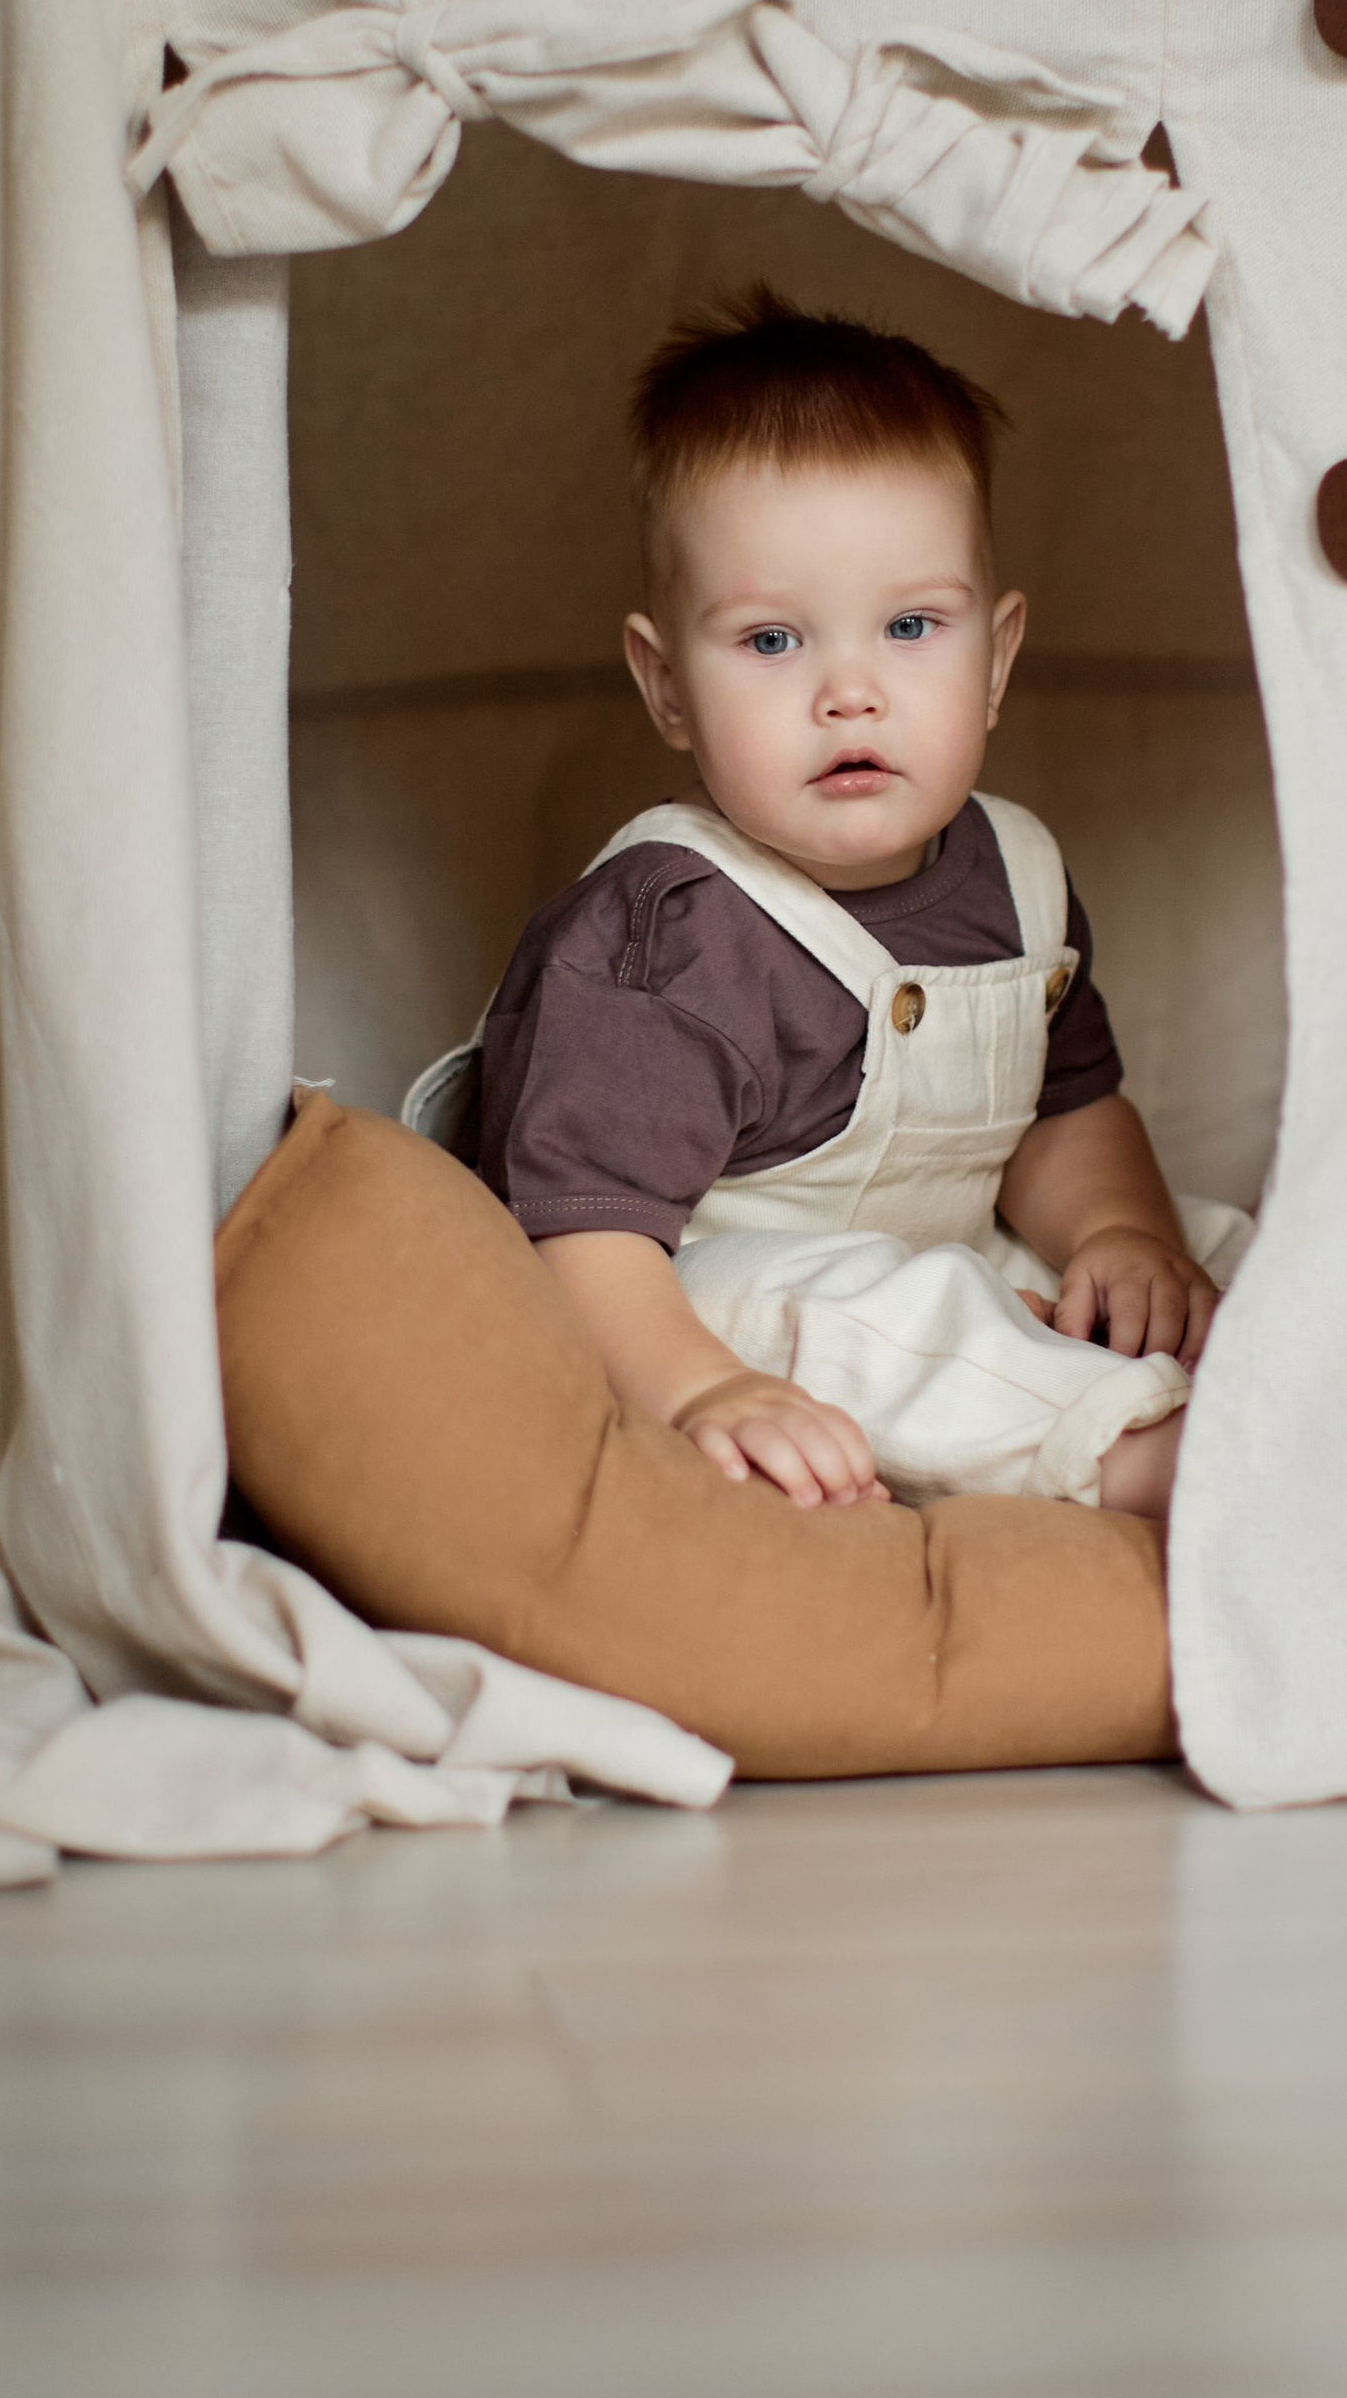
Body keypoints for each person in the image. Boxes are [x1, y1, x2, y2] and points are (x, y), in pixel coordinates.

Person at [452, 295, 1247, 1524]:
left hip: (956, 1261)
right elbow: (582, 1244)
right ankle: (1146, 1462)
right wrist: (701, 1393)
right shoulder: (663, 935)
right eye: (772, 640)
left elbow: (1059, 1111)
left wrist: (1121, 1234)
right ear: (666, 686)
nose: (851, 693)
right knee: (877, 1320)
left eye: (913, 627)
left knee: (1211, 1243)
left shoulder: (1016, 870)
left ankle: (1306, 1374)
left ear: (995, 656)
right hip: (706, 1301)